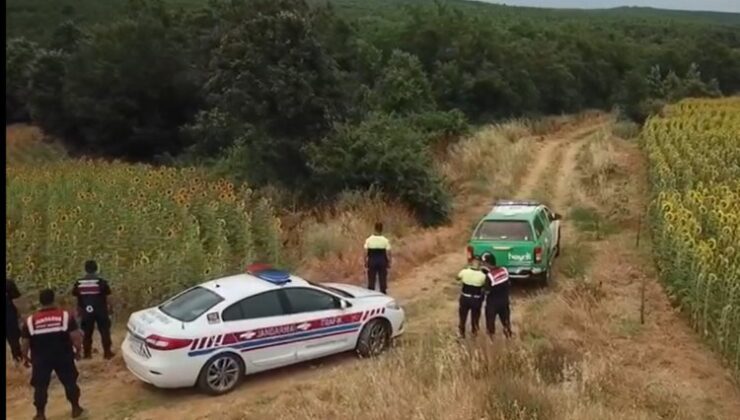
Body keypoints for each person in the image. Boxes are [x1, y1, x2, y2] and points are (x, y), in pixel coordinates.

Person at [21, 288, 84, 420]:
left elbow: (25, 342)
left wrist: (26, 357)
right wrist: (78, 351)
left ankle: (40, 414)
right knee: (70, 382)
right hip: (63, 355)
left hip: (41, 358)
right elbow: (75, 337)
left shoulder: (30, 320)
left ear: (40, 301)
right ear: (53, 299)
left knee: (40, 386)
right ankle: (76, 408)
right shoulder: (65, 316)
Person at [72, 260, 114, 359]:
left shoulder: (79, 283)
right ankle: (107, 353)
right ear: (96, 269)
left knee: (87, 333)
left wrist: (78, 310)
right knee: (104, 332)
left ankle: (87, 354)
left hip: (86, 311)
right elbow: (108, 297)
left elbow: (77, 297)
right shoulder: (101, 282)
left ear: (85, 269)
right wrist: (110, 308)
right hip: (101, 310)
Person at [481, 254, 513, 339]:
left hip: (493, 304)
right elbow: (509, 283)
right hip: (504, 302)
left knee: (490, 325)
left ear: (488, 264)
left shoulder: (489, 276)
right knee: (506, 323)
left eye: (484, 263)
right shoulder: (504, 270)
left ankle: (491, 342)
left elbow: (486, 291)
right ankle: (509, 338)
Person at [456, 259, 487, 338]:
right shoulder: (483, 276)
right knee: (475, 317)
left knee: (462, 317)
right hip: (476, 299)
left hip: (465, 297)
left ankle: (461, 332)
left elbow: (457, 278)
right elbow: (484, 286)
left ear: (470, 265)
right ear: (479, 266)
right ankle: (474, 332)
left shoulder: (464, 272)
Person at [364, 222, 392, 294]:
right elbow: (388, 252)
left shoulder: (369, 239)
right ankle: (383, 292)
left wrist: (365, 261)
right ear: (382, 229)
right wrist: (389, 262)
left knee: (371, 278)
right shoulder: (385, 240)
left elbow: (365, 251)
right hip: (382, 259)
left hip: (372, 259)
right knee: (382, 277)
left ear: (374, 229)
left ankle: (371, 291)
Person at [6, 278, 23, 362]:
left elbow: (17, 300)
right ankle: (18, 361)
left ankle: (18, 361)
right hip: (9, 317)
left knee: (14, 342)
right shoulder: (8, 283)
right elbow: (17, 300)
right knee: (14, 342)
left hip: (9, 317)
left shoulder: (8, 283)